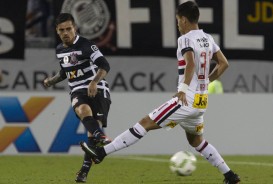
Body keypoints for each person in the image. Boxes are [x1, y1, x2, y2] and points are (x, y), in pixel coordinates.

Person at [80, 1, 240, 184]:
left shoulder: (185, 39)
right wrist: (205, 82)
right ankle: (230, 176)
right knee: (197, 142)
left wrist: (183, 90)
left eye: (178, 20)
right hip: (201, 101)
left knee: (144, 123)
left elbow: (191, 63)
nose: (178, 24)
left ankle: (101, 153)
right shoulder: (208, 38)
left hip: (186, 100)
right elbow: (224, 63)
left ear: (185, 20)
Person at [43, 13, 112, 183]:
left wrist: (94, 82)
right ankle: (99, 135)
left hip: (98, 89)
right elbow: (64, 71)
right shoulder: (59, 50)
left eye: (68, 29)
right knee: (82, 110)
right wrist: (52, 81)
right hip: (78, 90)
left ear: (75, 28)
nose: (66, 32)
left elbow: (105, 65)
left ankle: (83, 171)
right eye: (62, 30)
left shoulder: (87, 46)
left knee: (91, 136)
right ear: (57, 31)